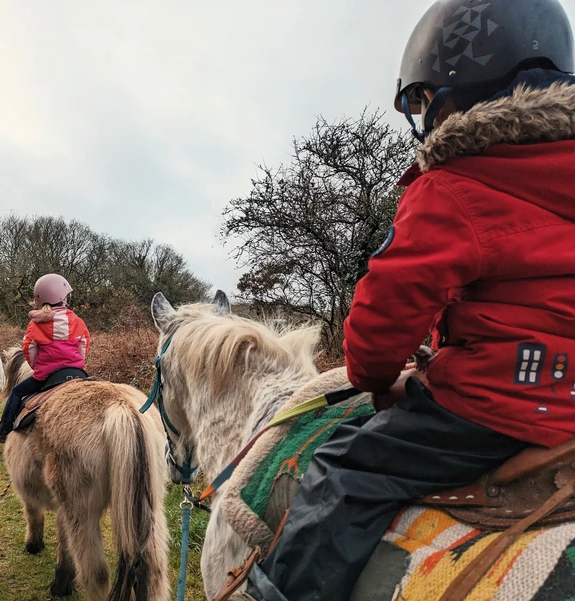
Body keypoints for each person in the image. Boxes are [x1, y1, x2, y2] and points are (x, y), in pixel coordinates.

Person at [245, 1, 575, 600]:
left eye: (424, 103)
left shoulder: (457, 185)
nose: (424, 121)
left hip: (495, 409)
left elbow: (382, 316)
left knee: (345, 469)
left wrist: (377, 378)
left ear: (463, 89)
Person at [0, 274, 90, 443]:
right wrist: (77, 363)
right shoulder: (77, 321)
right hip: (76, 373)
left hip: (47, 376)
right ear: (63, 298)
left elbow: (28, 349)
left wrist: (37, 366)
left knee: (16, 392)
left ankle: (4, 429)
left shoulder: (36, 324)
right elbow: (84, 346)